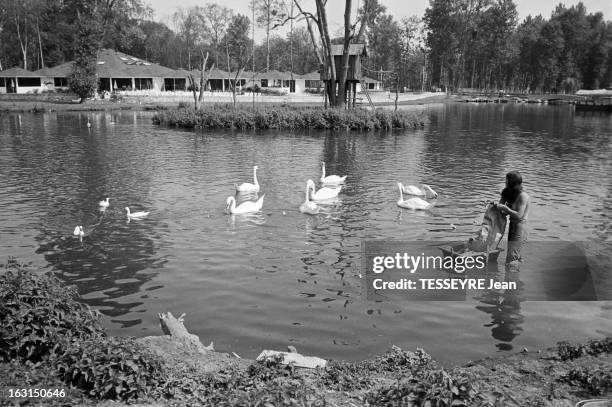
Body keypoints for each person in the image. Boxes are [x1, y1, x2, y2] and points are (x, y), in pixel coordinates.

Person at [495, 171, 530, 269]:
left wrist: (505, 208)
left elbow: (519, 215)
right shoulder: (508, 192)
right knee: (514, 254)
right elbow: (501, 207)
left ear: (514, 183)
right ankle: (515, 278)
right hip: (512, 225)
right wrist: (494, 206)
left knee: (511, 260)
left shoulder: (523, 196)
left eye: (507, 181)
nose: (505, 182)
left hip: (520, 227)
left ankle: (511, 279)